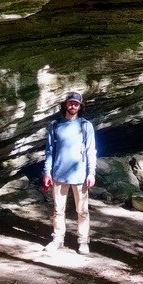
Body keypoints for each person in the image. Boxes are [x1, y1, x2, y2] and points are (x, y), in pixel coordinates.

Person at [41, 91, 97, 255]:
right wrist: (47, 172)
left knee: (82, 211)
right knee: (58, 210)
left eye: (76, 104)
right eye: (71, 103)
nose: (73, 106)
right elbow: (49, 151)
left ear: (80, 106)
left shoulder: (85, 125)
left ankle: (83, 241)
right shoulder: (55, 125)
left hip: (80, 176)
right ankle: (58, 239)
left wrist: (91, 173)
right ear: (65, 104)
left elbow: (91, 151)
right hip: (59, 174)